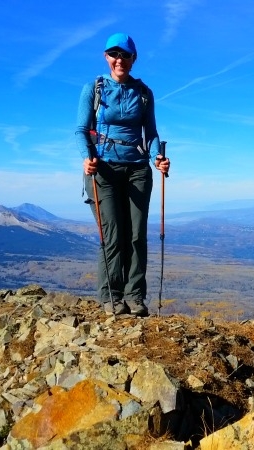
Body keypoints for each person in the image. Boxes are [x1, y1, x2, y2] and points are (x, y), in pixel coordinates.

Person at [75, 32, 170, 317]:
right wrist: (86, 158)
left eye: (125, 55)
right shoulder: (93, 89)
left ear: (133, 59)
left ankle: (135, 296)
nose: (119, 60)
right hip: (102, 169)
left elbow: (150, 133)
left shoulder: (143, 93)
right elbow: (81, 130)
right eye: (114, 54)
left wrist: (158, 158)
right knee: (114, 234)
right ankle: (112, 296)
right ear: (106, 57)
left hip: (137, 169)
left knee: (137, 234)